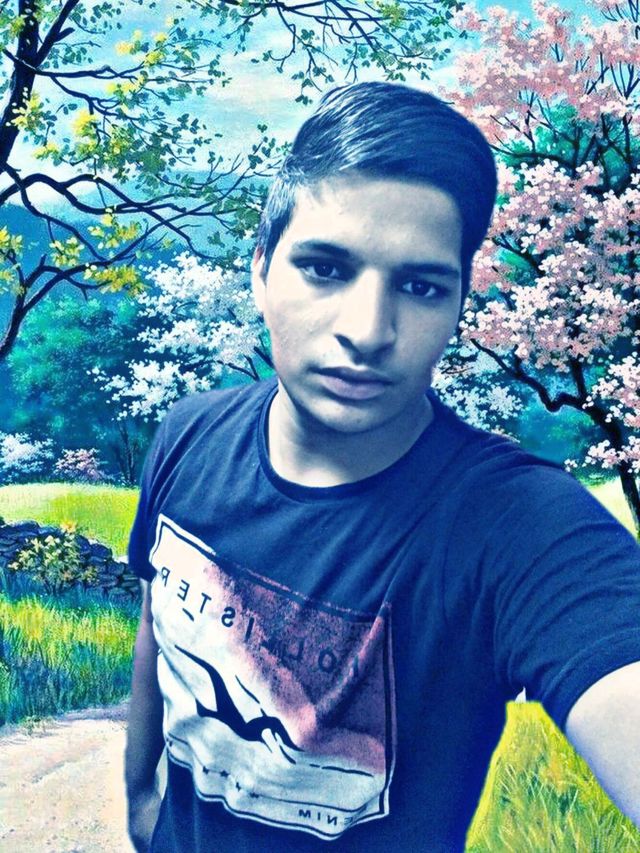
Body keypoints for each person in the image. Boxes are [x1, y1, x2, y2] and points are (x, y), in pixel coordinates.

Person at [125, 82, 640, 852]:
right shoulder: (188, 435)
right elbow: (158, 623)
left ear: (458, 305)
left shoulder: (522, 526)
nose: (368, 331)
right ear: (260, 270)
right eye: (325, 269)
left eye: (420, 286)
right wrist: (142, 805)